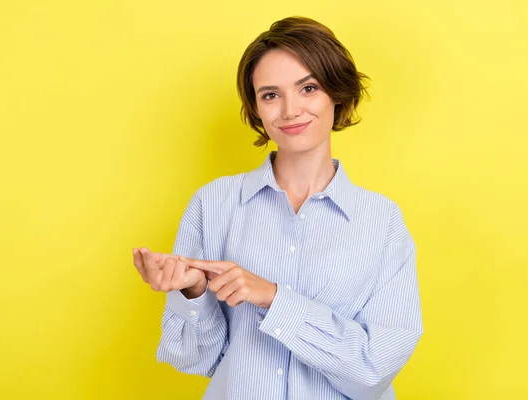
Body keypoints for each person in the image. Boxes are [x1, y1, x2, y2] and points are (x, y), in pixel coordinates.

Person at [132, 16, 423, 400]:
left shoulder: (381, 221)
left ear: (336, 93)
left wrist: (274, 297)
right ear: (256, 107)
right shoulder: (213, 204)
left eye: (308, 88)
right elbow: (195, 359)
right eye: (270, 94)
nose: (290, 110)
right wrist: (195, 292)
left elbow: (373, 370)